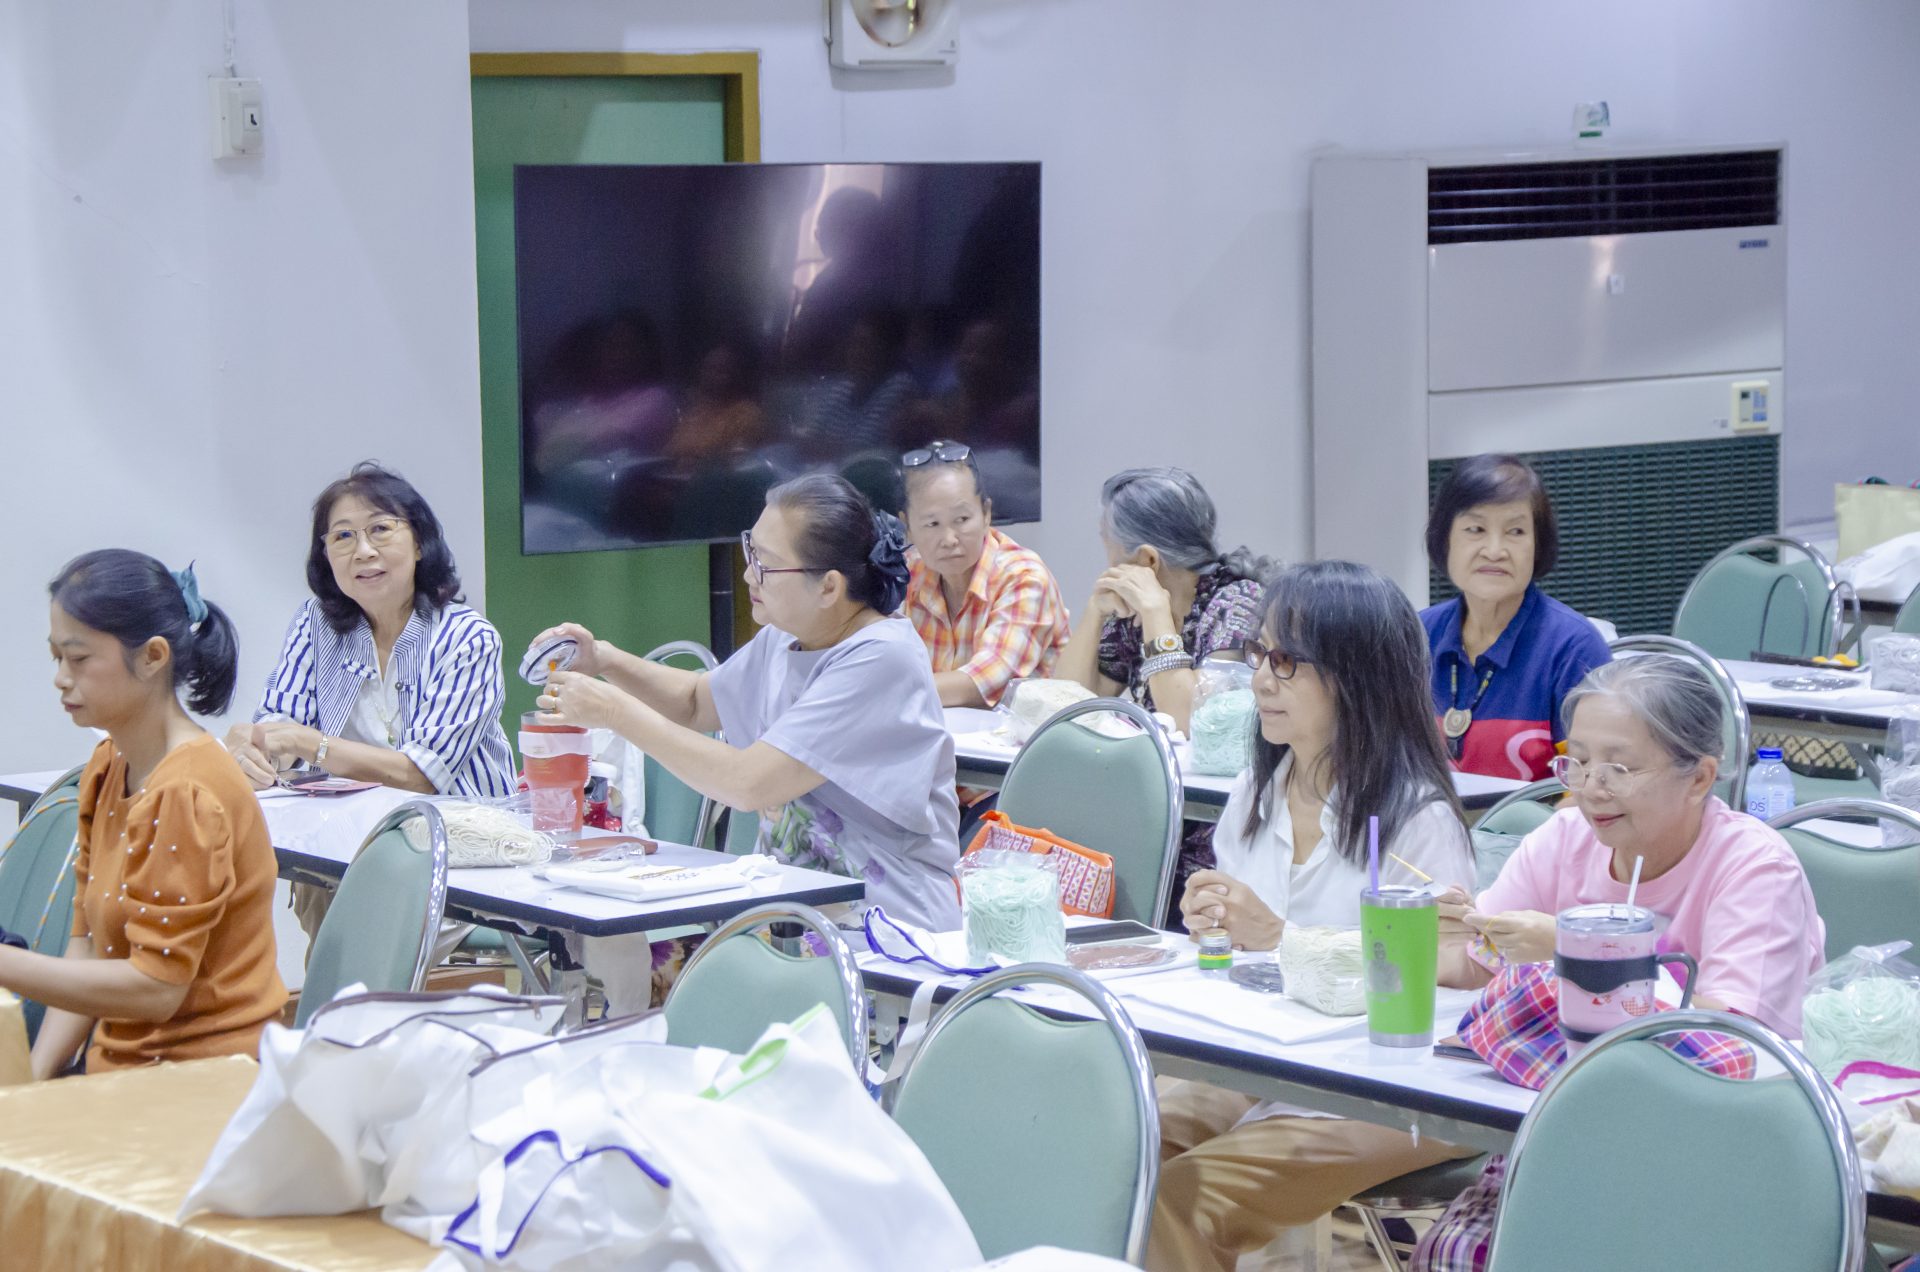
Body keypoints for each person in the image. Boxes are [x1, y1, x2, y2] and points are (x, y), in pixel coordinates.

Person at [1149, 561, 1477, 1272]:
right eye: (1260, 654)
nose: (1261, 680)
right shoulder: (1256, 789)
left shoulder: (1416, 818)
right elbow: (1239, 953)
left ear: (1357, 678)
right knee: (1126, 1147)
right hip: (1271, 1054)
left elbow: (1438, 978)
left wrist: (1277, 937)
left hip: (1389, 1085)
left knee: (1184, 1199)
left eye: (1287, 662)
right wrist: (1213, 926)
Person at [531, 474, 961, 930]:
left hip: (887, 927)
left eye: (766, 565)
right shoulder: (787, 636)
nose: (748, 574)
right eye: (750, 551)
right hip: (794, 914)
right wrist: (604, 658)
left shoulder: (881, 658)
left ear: (829, 587)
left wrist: (613, 711)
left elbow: (747, 782)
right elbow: (695, 702)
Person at [1441, 654, 1825, 1033]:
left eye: (1620, 769)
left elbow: (1734, 1029)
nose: (1591, 789)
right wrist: (1429, 933)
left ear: (1699, 779)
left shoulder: (1755, 867)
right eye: (1579, 761)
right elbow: (1477, 964)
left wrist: (1579, 954)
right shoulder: (1563, 840)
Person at [9, 552, 285, 1077]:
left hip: (204, 1080)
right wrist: (33, 1083)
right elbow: (90, 947)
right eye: (56, 657)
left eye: (78, 659)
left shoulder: (187, 793)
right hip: (128, 1070)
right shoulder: (107, 765)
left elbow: (157, 989)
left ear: (153, 657)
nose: (61, 679)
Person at [224, 462, 514, 800]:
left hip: (466, 824)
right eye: (343, 536)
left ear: (419, 543)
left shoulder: (468, 637)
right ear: (326, 556)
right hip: (352, 822)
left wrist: (306, 742)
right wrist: (259, 753)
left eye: (380, 529)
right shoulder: (314, 622)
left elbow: (422, 775)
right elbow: (282, 722)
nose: (363, 551)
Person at [1054, 466, 1271, 907]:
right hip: (1146, 805)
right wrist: (1095, 611)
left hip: (1216, 825)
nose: (1106, 559)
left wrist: (1156, 613)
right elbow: (1068, 706)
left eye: (1107, 542)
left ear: (1148, 561)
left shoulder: (1237, 602)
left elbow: (1194, 720)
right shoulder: (1129, 612)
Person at [1421, 454, 1612, 781]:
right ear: (1444, 539)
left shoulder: (1574, 648)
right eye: (1475, 529)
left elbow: (1592, 784)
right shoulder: (1414, 635)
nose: (1495, 550)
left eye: (1516, 531)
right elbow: (1378, 768)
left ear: (1538, 546)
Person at [899, 440, 1069, 709]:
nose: (949, 539)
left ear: (986, 514)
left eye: (962, 520)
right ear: (908, 527)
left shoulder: (1024, 577)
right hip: (942, 729)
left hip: (1022, 732)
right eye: (932, 524)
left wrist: (887, 692)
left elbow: (985, 681)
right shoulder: (908, 574)